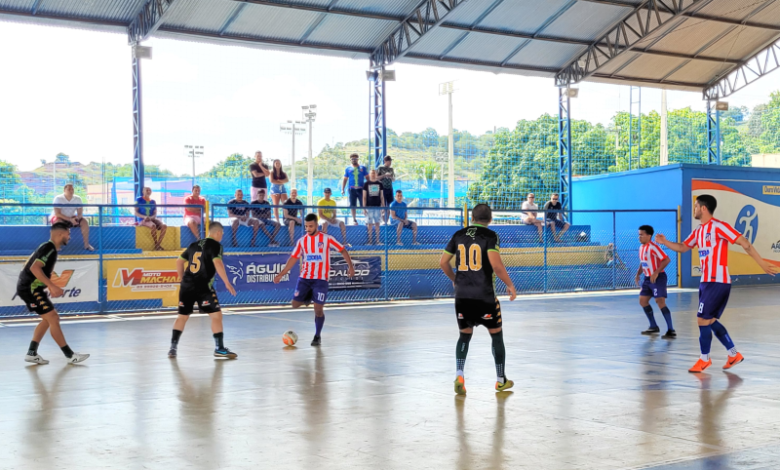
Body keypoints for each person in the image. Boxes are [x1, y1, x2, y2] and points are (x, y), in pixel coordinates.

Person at [656, 194, 778, 373]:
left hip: (717, 281)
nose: (695, 209)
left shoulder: (719, 227)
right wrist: (665, 242)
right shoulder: (698, 231)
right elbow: (683, 247)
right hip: (706, 282)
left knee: (702, 320)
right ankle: (733, 354)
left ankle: (704, 359)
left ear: (703, 208)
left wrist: (761, 263)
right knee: (710, 320)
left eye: (696, 206)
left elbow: (744, 242)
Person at [439, 204, 517, 395]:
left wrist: (456, 280)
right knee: (496, 335)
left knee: (464, 335)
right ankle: (500, 380)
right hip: (484, 296)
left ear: (472, 218)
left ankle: (459, 374)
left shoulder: (458, 235)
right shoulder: (491, 236)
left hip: (462, 296)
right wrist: (510, 285)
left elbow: (443, 262)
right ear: (490, 219)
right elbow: (496, 266)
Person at [273, 213, 355, 346]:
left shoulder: (327, 238)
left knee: (318, 309)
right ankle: (309, 295)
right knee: (294, 304)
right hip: (305, 278)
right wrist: (281, 274)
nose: (308, 228)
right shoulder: (302, 241)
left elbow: (343, 250)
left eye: (311, 226)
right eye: (306, 226)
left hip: (320, 280)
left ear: (317, 225)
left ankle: (317, 335)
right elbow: (293, 258)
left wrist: (350, 267)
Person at [19, 222, 89, 365]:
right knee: (53, 318)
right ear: (60, 234)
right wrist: (51, 286)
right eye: (68, 234)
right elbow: (35, 268)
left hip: (31, 288)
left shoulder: (48, 248)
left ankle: (32, 353)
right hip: (30, 288)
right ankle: (70, 355)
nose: (69, 237)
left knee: (48, 319)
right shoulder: (48, 248)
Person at [169, 222, 238, 359]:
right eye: (222, 234)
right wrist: (226, 282)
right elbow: (217, 263)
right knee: (216, 316)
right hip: (203, 286)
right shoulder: (216, 246)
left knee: (182, 317)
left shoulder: (194, 245)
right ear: (218, 233)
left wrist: (183, 279)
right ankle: (219, 348)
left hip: (187, 286)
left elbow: (179, 262)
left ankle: (172, 348)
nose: (222, 237)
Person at [635, 225, 675, 338]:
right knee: (643, 301)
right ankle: (653, 326)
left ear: (649, 236)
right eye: (639, 235)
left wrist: (656, 272)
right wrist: (638, 274)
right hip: (647, 278)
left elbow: (666, 259)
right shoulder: (641, 248)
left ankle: (671, 330)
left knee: (660, 301)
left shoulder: (654, 247)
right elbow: (643, 262)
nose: (639, 237)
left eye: (642, 235)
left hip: (658, 277)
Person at [51, 183, 94, 251]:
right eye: (69, 189)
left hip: (72, 218)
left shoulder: (77, 199)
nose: (71, 191)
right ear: (64, 190)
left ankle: (87, 245)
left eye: (72, 189)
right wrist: (70, 219)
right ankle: (56, 245)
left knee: (84, 222)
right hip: (61, 218)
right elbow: (57, 214)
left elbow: (80, 213)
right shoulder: (58, 198)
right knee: (58, 223)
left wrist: (77, 218)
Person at [135, 186, 168, 251]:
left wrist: (151, 217)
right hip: (142, 219)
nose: (148, 191)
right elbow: (135, 212)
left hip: (151, 219)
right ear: (143, 191)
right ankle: (156, 244)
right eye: (147, 190)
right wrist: (144, 217)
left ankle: (158, 244)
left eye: (150, 190)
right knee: (153, 226)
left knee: (164, 226)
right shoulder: (138, 200)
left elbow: (155, 213)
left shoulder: (153, 201)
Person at [341, 153, 368, 225]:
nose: (354, 160)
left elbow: (368, 178)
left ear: (358, 159)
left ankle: (367, 219)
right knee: (353, 205)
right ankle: (354, 220)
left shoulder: (363, 168)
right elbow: (345, 179)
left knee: (363, 204)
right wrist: (342, 189)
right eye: (352, 159)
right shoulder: (348, 168)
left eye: (355, 158)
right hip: (352, 189)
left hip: (361, 189)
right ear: (350, 160)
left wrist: (368, 188)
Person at [363, 169, 385, 245]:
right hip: (369, 207)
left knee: (377, 224)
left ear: (376, 174)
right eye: (372, 173)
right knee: (369, 224)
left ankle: (377, 241)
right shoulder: (366, 184)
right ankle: (370, 241)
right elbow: (364, 197)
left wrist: (383, 207)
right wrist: (364, 208)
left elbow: (382, 196)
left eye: (374, 173)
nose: (373, 174)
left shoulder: (380, 184)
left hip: (377, 207)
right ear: (369, 174)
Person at [377, 155, 395, 224]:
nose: (390, 162)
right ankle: (383, 221)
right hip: (383, 189)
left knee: (390, 206)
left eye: (390, 161)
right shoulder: (380, 168)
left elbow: (393, 179)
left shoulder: (391, 169)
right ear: (385, 161)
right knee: (383, 206)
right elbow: (376, 177)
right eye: (389, 161)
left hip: (390, 188)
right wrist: (384, 175)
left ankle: (387, 221)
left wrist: (390, 176)